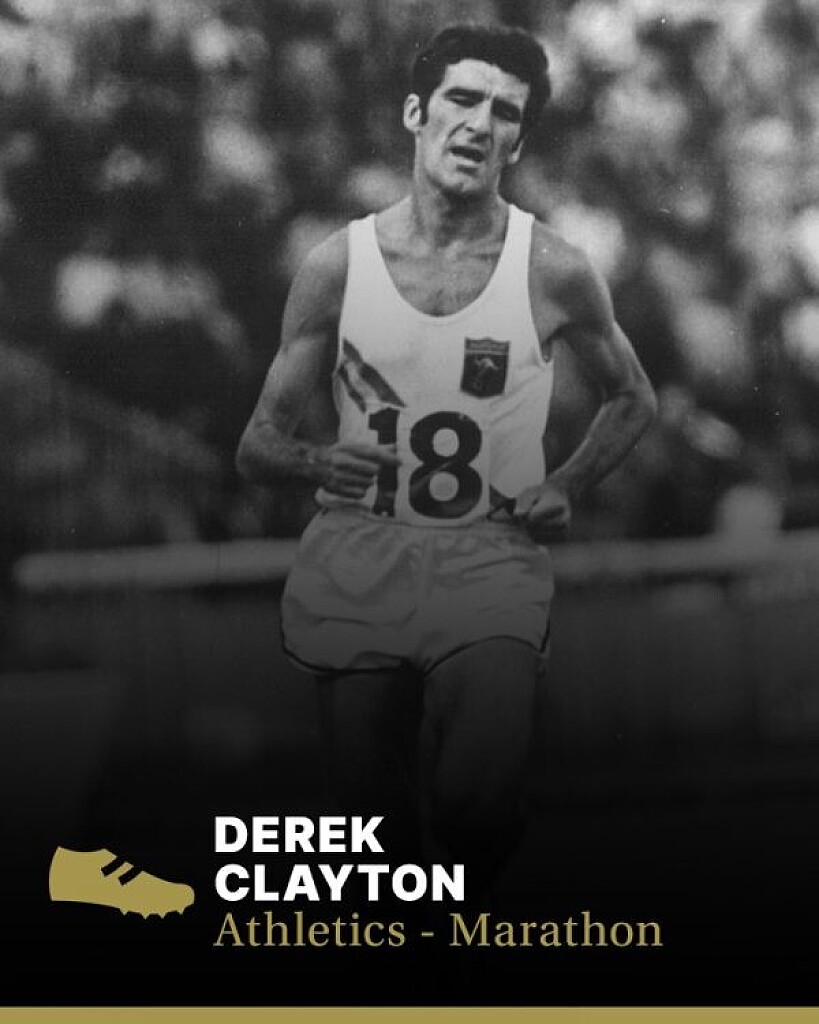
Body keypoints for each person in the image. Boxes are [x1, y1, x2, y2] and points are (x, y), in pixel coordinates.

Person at [236, 22, 656, 910]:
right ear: (415, 113)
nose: (478, 123)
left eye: (504, 113)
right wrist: (316, 460)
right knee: (374, 840)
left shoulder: (553, 267)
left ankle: (479, 862)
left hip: (487, 556)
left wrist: (565, 483)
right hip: (360, 556)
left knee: (472, 810)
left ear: (518, 143)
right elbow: (257, 444)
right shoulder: (336, 265)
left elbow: (632, 398)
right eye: (462, 99)